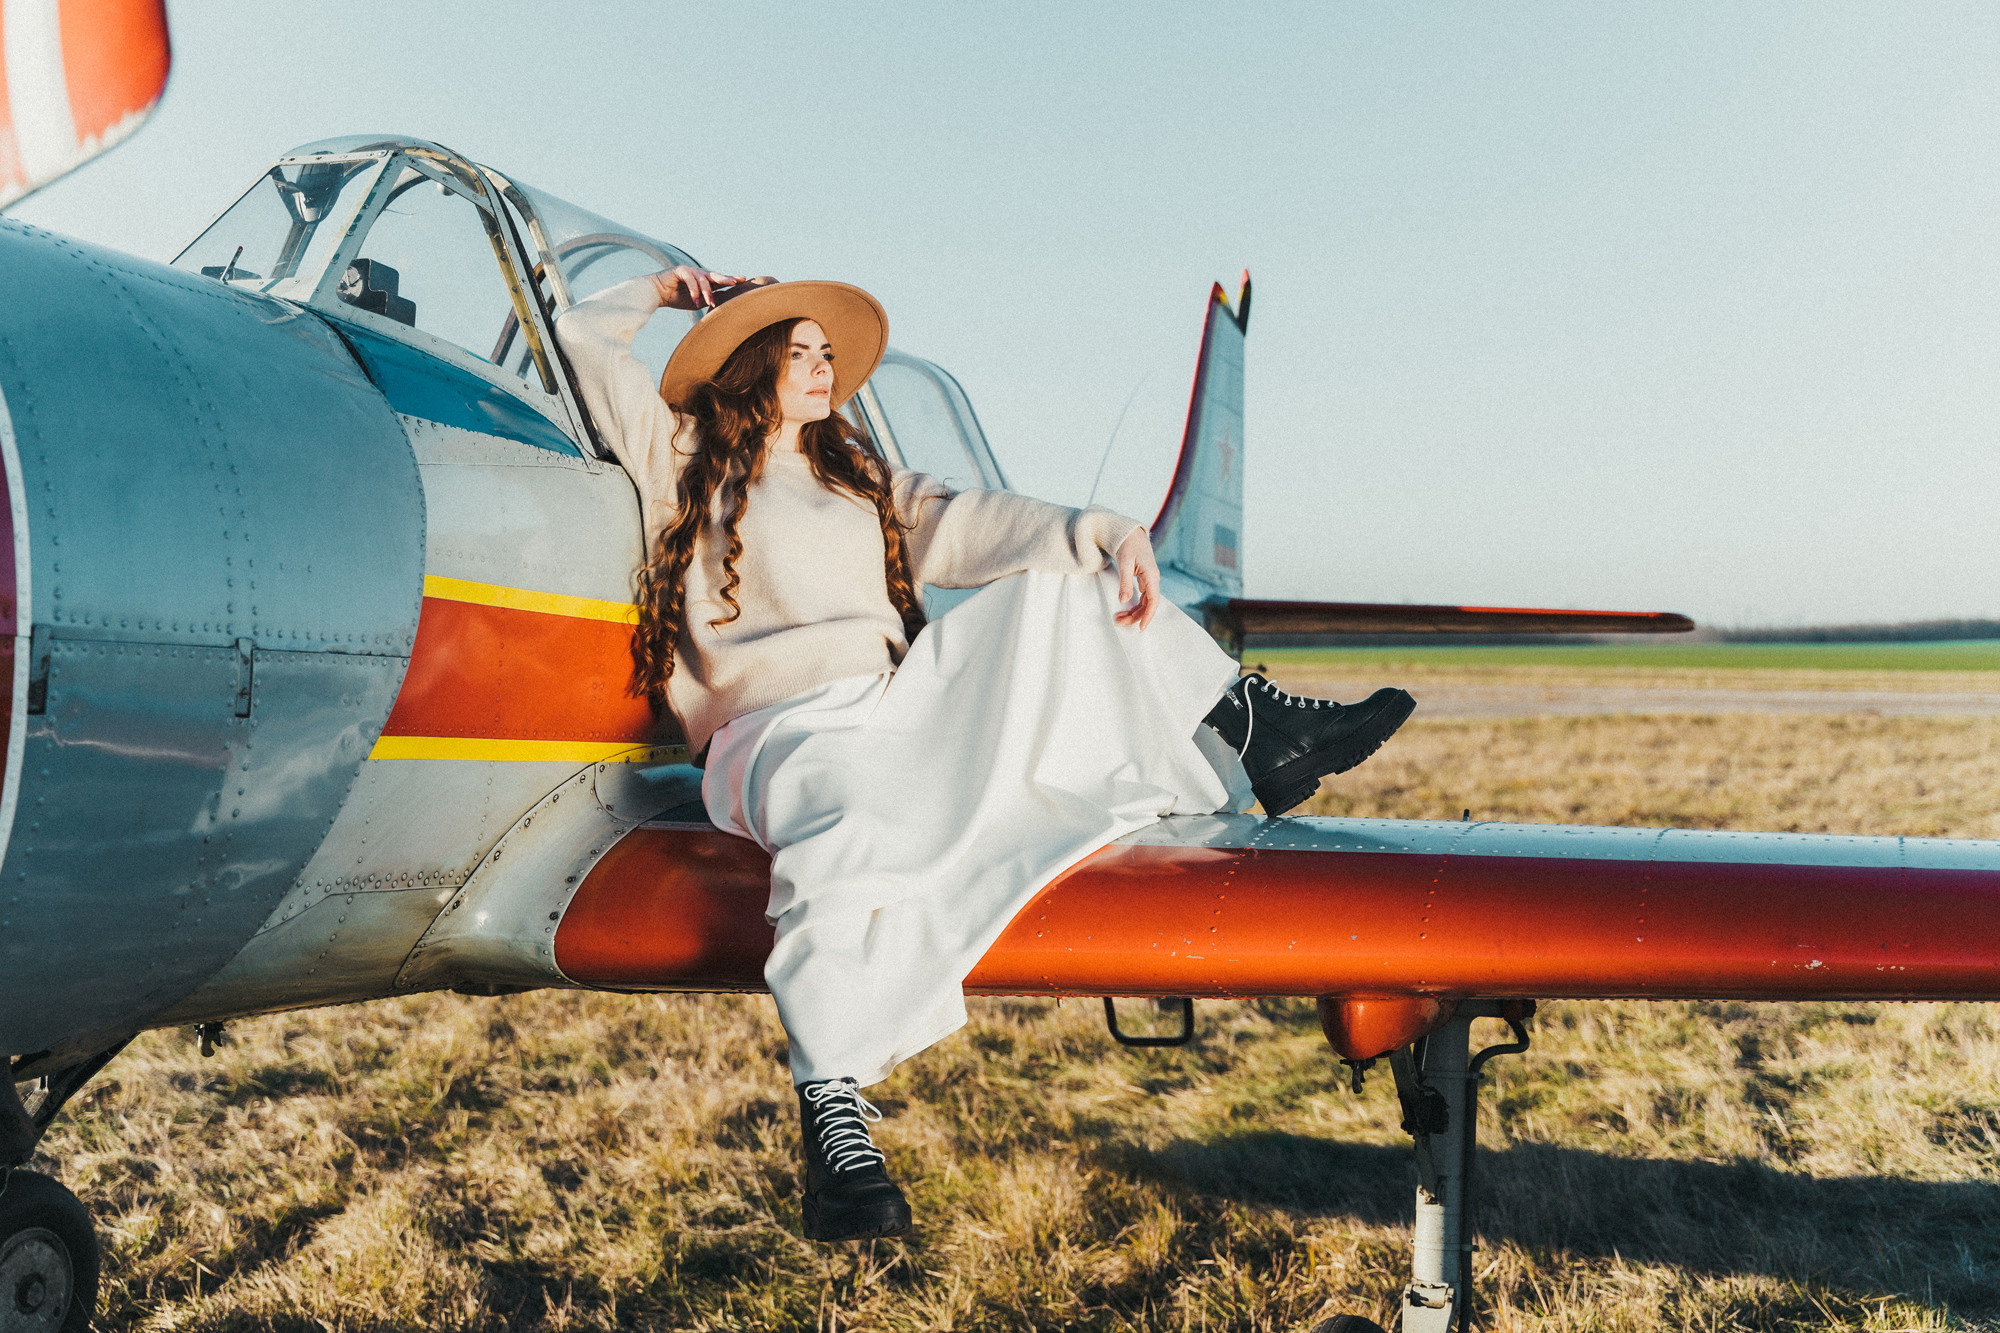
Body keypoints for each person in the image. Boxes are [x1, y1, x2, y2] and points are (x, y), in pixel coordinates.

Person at [554, 268, 1414, 1243]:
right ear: (750, 367)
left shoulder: (860, 478)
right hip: (777, 733)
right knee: (840, 841)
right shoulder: (682, 455)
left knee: (1059, 583)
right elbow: (584, 340)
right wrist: (666, 288)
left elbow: (971, 524)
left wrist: (1102, 533)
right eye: (800, 351)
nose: (823, 366)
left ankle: (1247, 720)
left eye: (827, 353)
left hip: (892, 703)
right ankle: (834, 1116)